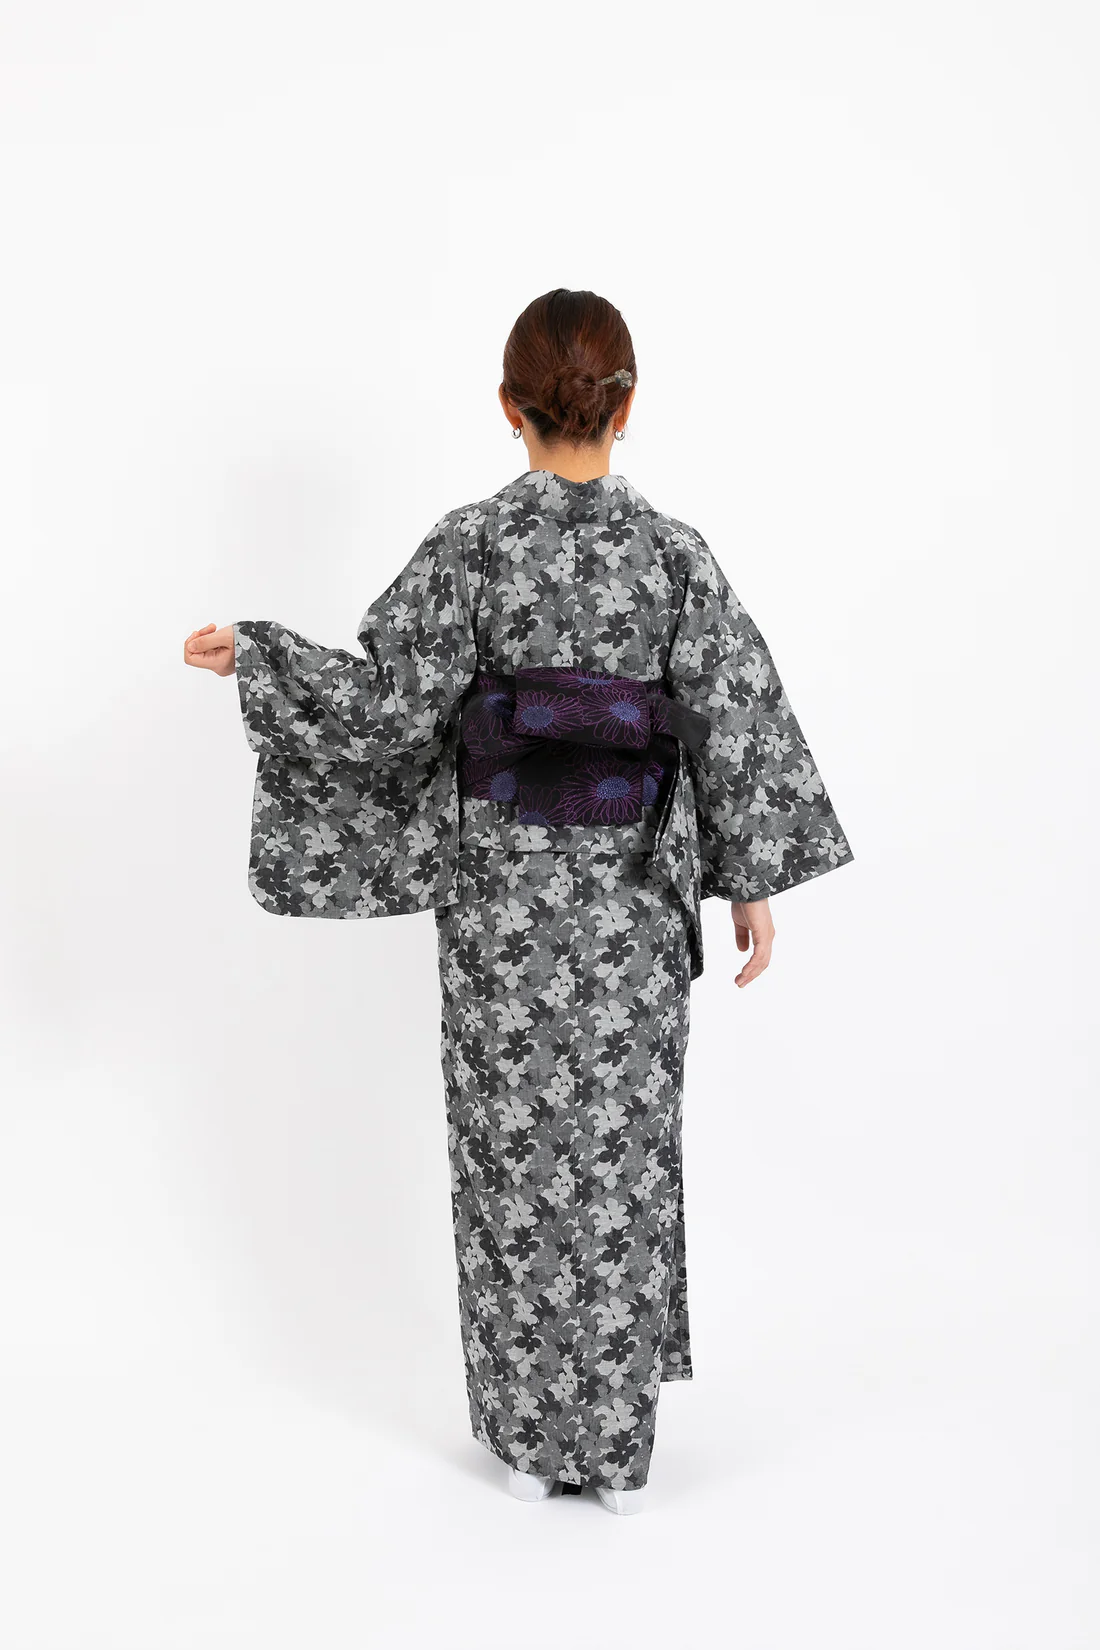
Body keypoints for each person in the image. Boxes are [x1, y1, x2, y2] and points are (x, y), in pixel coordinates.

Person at [183, 288, 853, 1515]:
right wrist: (747, 880)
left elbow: (388, 702)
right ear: (627, 406)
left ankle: (532, 1448)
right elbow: (735, 715)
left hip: (503, 908)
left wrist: (265, 658)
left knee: (512, 1156)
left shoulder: (473, 545)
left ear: (508, 406)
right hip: (634, 902)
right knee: (622, 1157)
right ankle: (616, 1451)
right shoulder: (672, 555)